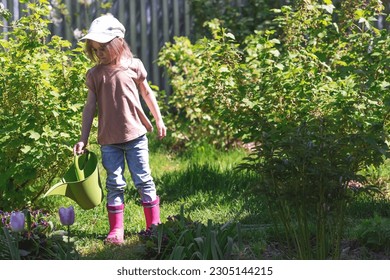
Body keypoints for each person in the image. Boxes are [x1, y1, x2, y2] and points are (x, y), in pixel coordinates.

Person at [73, 14, 167, 245]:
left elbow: (147, 93)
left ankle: (153, 226)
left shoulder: (133, 65)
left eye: (103, 48)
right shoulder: (95, 75)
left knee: (144, 179)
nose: (99, 54)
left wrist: (159, 119)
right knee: (114, 183)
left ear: (118, 42)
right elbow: (89, 107)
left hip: (136, 136)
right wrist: (83, 139)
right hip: (109, 141)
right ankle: (116, 230)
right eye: (95, 50)